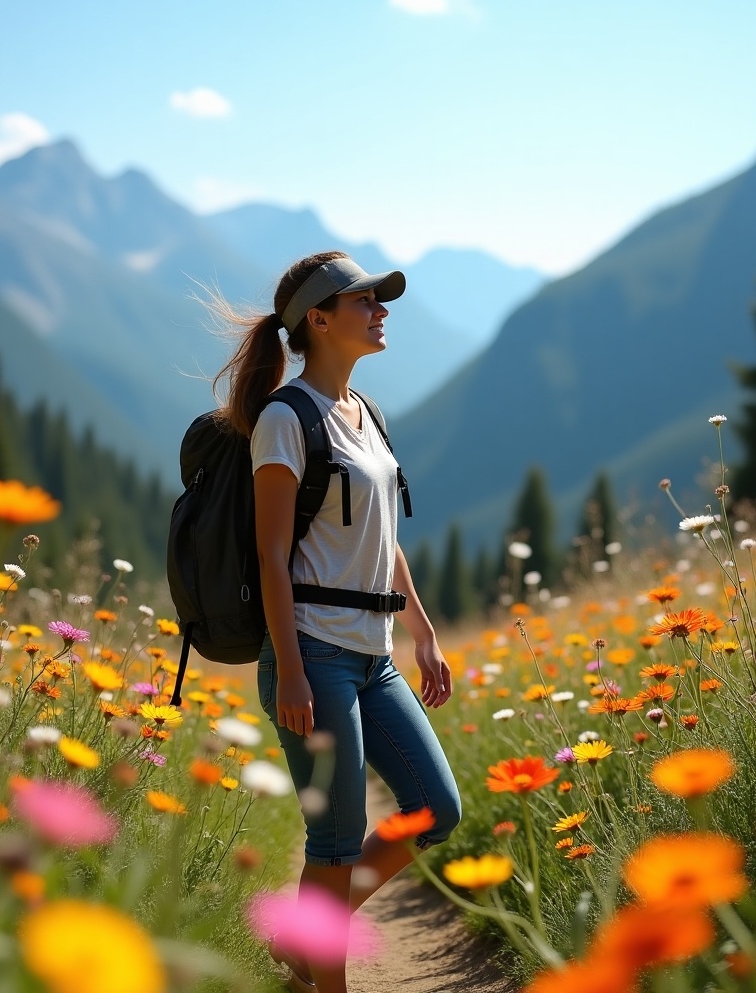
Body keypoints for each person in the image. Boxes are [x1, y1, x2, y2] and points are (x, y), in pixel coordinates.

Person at [213, 251, 461, 993]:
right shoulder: (286, 421)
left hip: (374, 656)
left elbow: (381, 541)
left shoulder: (366, 415)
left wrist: (423, 629)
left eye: (380, 301)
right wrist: (288, 667)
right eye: (365, 301)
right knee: (336, 838)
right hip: (314, 655)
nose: (381, 311)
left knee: (435, 810)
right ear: (318, 320)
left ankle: (312, 936)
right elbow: (269, 552)